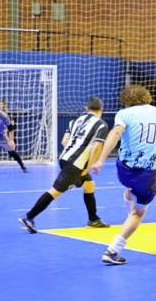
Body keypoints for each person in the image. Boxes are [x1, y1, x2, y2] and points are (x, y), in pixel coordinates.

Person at [88, 85, 156, 265]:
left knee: (129, 190)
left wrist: (101, 159)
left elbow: (116, 133)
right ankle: (113, 250)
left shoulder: (123, 114)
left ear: (126, 100)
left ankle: (130, 212)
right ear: (146, 97)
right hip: (147, 174)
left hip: (123, 169)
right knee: (138, 213)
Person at [19, 97, 111, 233]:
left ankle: (93, 219)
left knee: (89, 185)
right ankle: (28, 217)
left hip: (64, 159)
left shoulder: (75, 121)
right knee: (55, 192)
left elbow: (64, 141)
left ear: (86, 109)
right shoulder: (101, 124)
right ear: (101, 110)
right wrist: (87, 167)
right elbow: (97, 147)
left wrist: (75, 151)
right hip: (75, 165)